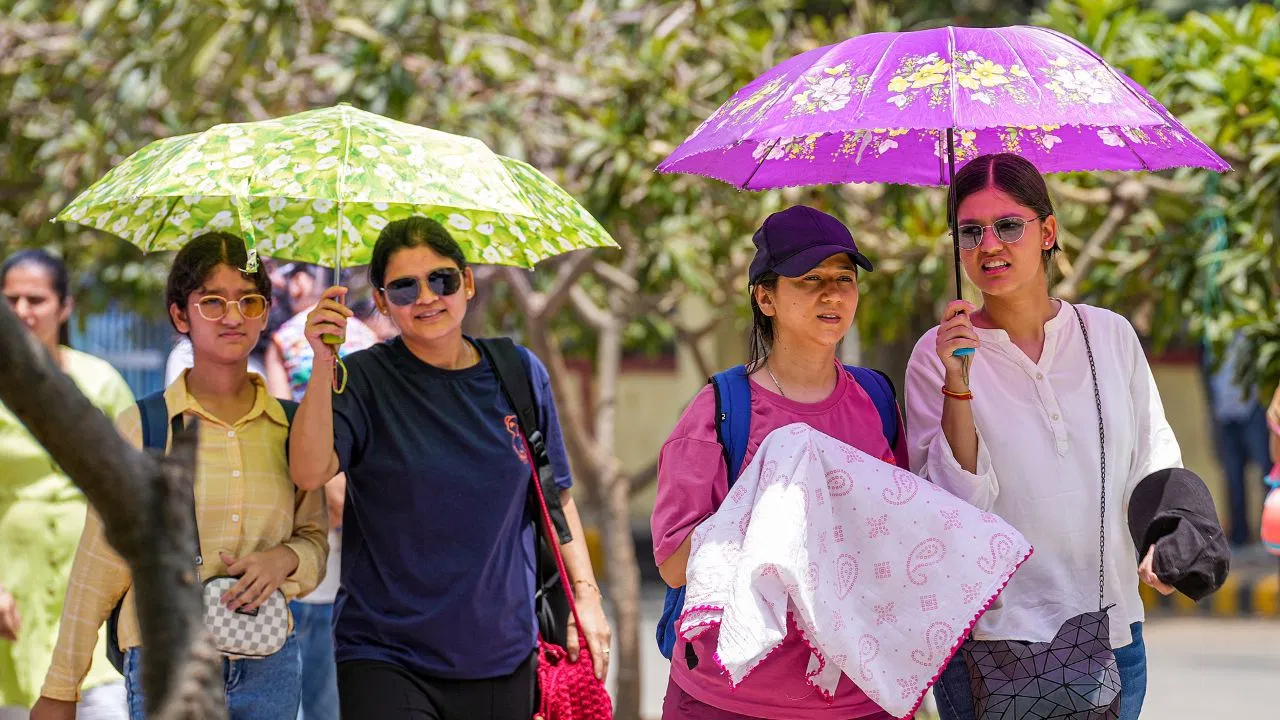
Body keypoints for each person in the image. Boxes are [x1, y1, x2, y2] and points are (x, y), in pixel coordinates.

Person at [287, 216, 611, 720]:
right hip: (385, 655)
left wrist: (587, 599)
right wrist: (324, 362)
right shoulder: (362, 379)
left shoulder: (518, 372)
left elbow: (556, 495)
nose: (426, 297)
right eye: (404, 287)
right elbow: (309, 473)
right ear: (381, 302)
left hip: (503, 654)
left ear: (468, 282)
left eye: (441, 279)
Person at [904, 153, 1181, 720]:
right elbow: (952, 507)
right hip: (990, 648)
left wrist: (1165, 535)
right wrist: (958, 382)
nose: (989, 245)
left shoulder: (1109, 334)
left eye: (1008, 225)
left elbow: (1152, 453)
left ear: (1048, 232)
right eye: (970, 231)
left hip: (1112, 634)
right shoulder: (936, 356)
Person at [31, 233, 328, 720]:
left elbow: (315, 539)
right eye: (212, 302)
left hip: (270, 665)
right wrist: (62, 687)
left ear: (264, 312)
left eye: (248, 301)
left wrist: (284, 559)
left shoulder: (292, 427)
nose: (232, 317)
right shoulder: (145, 427)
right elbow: (98, 565)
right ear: (180, 315)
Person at [652, 205, 905, 720]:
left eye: (844, 278)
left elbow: (899, 536)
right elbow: (674, 565)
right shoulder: (722, 409)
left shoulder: (877, 399)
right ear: (765, 298)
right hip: (727, 698)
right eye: (810, 279)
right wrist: (772, 509)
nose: (832, 294)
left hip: (858, 695)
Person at [0, 250, 134, 720]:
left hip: (95, 599)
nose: (22, 311)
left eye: (36, 299)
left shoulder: (102, 382)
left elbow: (134, 486)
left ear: (64, 307)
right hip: (13, 605)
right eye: (10, 300)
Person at [264, 263, 377, 720]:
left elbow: (281, 428)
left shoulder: (284, 341)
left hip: (299, 545)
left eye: (293, 273)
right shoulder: (371, 341)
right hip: (358, 549)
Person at [1202, 333, 1272, 548]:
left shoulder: (1251, 331)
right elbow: (1206, 374)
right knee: (1233, 476)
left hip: (1253, 410)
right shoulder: (1208, 335)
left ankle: (1270, 535)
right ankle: (1239, 536)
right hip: (1224, 414)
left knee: (1267, 474)